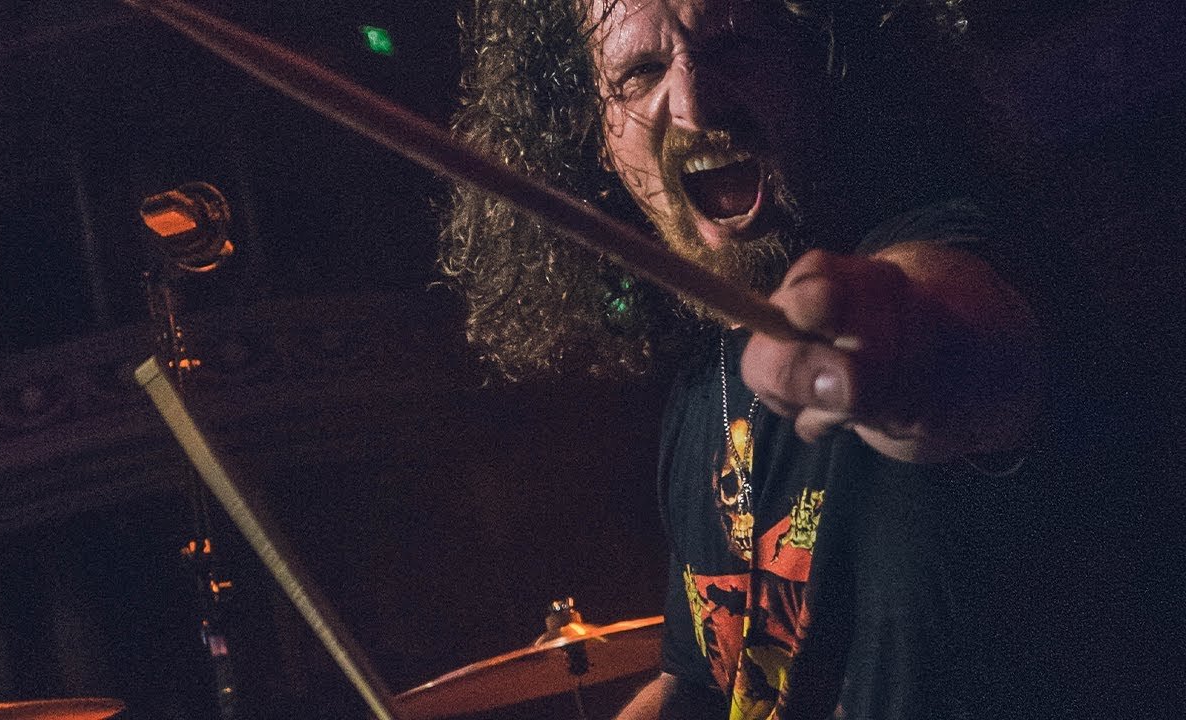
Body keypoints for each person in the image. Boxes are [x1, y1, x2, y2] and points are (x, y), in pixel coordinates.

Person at [440, 0, 1063, 718]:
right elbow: (702, 684)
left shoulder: (960, 246)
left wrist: (891, 343)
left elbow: (966, 338)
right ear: (598, 142)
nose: (696, 103)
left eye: (737, 48)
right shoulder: (702, 393)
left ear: (827, 67)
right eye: (641, 72)